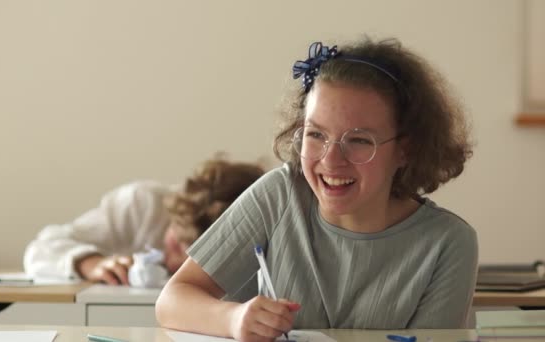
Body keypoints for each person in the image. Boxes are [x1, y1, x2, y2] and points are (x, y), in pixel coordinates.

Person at [155, 37, 478, 339]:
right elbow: (172, 300)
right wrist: (234, 318)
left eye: (359, 140)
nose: (331, 160)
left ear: (405, 149)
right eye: (316, 135)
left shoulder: (448, 243)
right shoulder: (279, 195)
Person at [23, 156, 265, 286]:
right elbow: (40, 249)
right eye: (174, 244)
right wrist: (90, 264)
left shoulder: (258, 237)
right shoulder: (142, 204)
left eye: (195, 259)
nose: (175, 262)